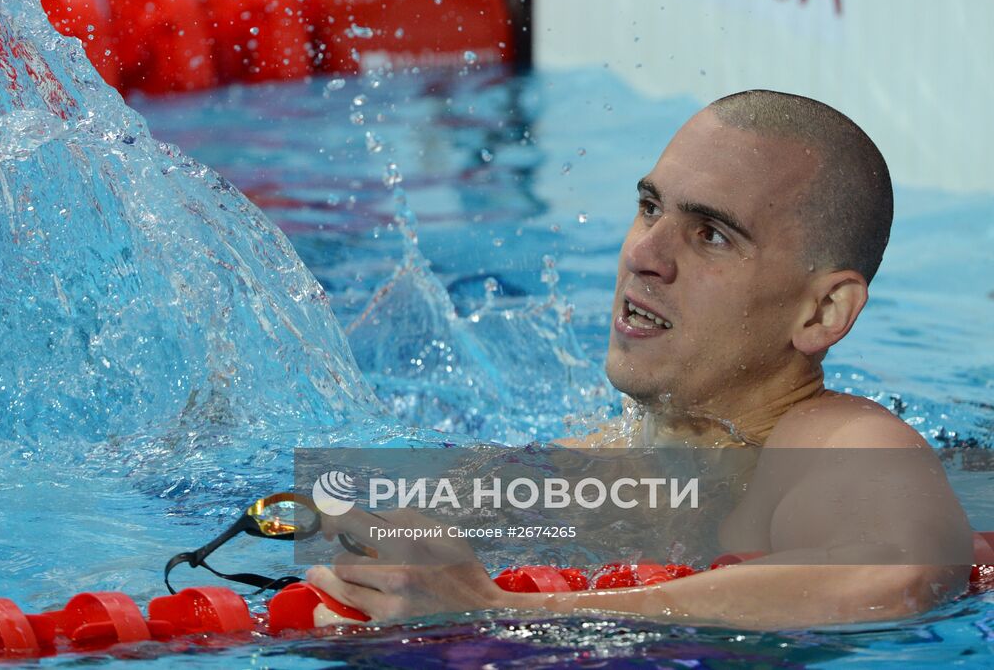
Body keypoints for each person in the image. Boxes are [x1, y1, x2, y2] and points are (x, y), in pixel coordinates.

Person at [306, 89, 975, 629]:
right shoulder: (579, 468)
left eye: (711, 234)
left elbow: (902, 577)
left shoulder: (837, 443)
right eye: (649, 207)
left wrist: (504, 611)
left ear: (823, 312)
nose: (643, 255)